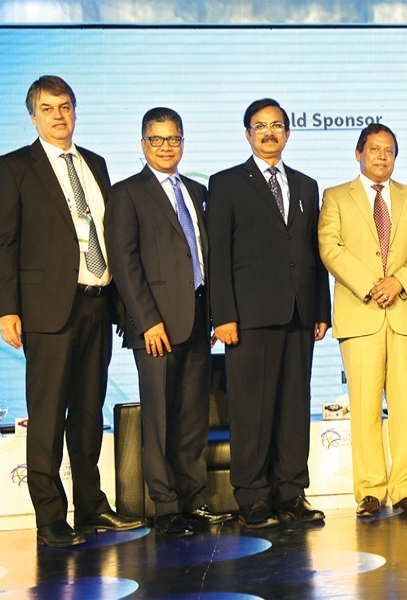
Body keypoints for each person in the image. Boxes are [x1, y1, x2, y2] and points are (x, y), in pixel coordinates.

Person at [0, 75, 145, 547]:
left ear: (75, 111)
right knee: (48, 414)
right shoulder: (15, 166)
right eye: (48, 108)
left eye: (66, 106)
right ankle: (50, 517)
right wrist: (6, 309)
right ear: (33, 115)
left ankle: (93, 507)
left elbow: (112, 235)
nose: (59, 115)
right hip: (46, 310)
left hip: (97, 305)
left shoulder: (95, 163)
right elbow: (4, 242)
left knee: (87, 415)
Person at [106, 107, 232, 535]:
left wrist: (215, 314)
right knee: (159, 418)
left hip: (197, 322)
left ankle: (193, 499)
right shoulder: (127, 193)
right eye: (157, 140)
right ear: (143, 144)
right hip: (155, 326)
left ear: (183, 142)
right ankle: (165, 507)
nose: (166, 147)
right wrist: (147, 321)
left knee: (192, 416)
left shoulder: (197, 191)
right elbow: (125, 265)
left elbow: (205, 256)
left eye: (173, 139)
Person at [207, 98, 331, 528]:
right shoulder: (225, 184)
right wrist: (222, 314)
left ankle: (291, 492)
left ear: (288, 133)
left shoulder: (306, 184)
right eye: (260, 126)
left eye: (277, 125)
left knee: (295, 407)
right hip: (249, 317)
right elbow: (217, 256)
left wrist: (321, 307)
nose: (269, 132)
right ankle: (253, 497)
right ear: (247, 134)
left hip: (299, 313)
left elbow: (313, 254)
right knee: (252, 410)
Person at [318, 123, 407, 517]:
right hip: (361, 312)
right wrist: (372, 285)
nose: (381, 156)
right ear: (358, 154)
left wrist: (397, 282)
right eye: (374, 150)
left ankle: (405, 489)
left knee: (405, 408)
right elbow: (330, 248)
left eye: (388, 151)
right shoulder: (335, 197)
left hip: (402, 312)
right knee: (364, 406)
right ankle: (369, 491)